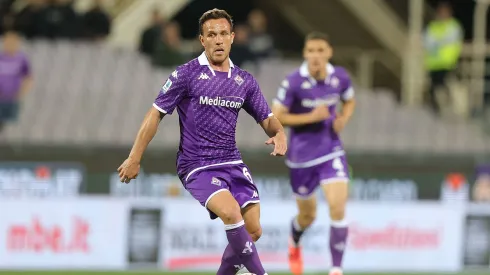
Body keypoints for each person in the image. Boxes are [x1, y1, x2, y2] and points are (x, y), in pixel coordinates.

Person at [117, 8, 287, 275]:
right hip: (197, 164)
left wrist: (279, 134)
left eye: (222, 34)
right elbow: (154, 115)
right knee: (231, 214)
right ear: (202, 40)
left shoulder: (244, 81)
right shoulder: (187, 74)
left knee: (253, 230)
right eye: (211, 35)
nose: (218, 40)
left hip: (232, 161)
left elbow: (268, 120)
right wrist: (135, 157)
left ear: (232, 37)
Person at [272, 31, 355, 275]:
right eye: (311, 51)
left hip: (331, 150)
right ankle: (295, 238)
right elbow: (276, 116)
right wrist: (311, 116)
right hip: (301, 157)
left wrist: (343, 119)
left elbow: (349, 101)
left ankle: (336, 269)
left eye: (321, 50)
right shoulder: (294, 82)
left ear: (329, 53)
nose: (316, 56)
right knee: (307, 216)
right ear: (305, 53)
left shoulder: (340, 77)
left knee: (337, 207)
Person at [423, 1, 463, 115]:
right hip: (434, 64)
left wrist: (437, 44)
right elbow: (427, 42)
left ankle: (453, 110)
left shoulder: (453, 26)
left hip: (448, 63)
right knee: (435, 89)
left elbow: (452, 41)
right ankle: (439, 111)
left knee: (449, 86)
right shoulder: (433, 27)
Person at [0, 31, 32, 133]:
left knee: (9, 121)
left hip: (13, 96)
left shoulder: (21, 59)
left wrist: (22, 92)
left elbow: (28, 77)